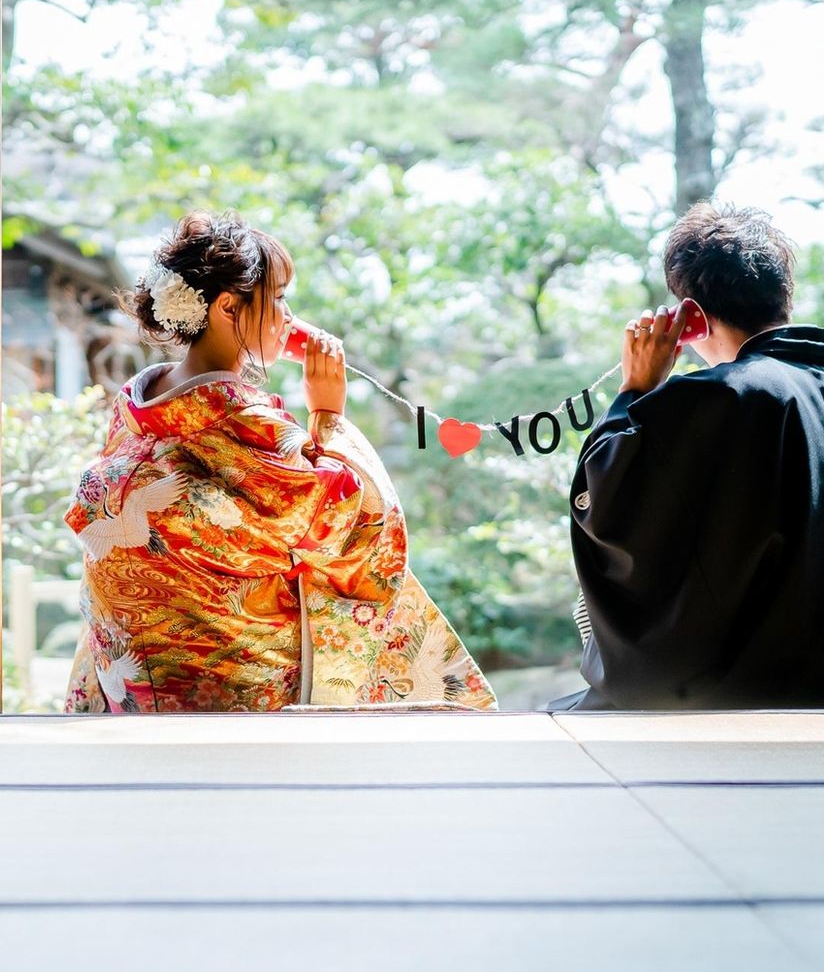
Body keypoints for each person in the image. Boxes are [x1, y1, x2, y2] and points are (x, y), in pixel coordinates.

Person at [63, 210, 496, 713]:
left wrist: (263, 333)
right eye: (280, 298)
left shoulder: (138, 400)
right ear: (228, 306)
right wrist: (328, 416)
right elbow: (351, 521)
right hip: (222, 679)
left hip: (135, 673)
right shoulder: (241, 420)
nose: (289, 317)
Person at [552, 202, 824, 710]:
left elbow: (607, 503)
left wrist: (635, 392)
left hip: (739, 694)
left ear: (691, 319)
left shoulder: (718, 399)